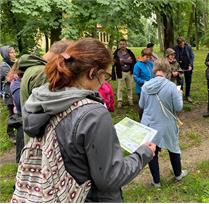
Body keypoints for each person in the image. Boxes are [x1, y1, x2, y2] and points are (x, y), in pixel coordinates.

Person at [21, 38, 156, 202]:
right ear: (93, 73)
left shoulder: (42, 98)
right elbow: (110, 177)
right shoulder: (93, 113)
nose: (104, 81)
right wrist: (143, 154)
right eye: (104, 75)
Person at [139, 58, 187, 188]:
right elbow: (178, 108)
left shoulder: (145, 86)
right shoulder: (172, 87)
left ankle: (156, 181)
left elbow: (141, 104)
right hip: (166, 123)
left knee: (152, 152)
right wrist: (179, 95)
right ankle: (178, 174)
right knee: (173, 148)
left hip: (149, 123)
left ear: (155, 70)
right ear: (168, 71)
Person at [19, 40, 72, 144]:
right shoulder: (43, 73)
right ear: (61, 56)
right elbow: (46, 110)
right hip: (41, 142)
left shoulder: (34, 69)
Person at [112, 39, 136, 108]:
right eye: (121, 44)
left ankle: (130, 100)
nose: (122, 45)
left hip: (129, 72)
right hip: (121, 72)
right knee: (120, 88)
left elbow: (132, 61)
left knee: (129, 87)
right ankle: (119, 101)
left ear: (126, 45)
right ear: (119, 45)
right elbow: (116, 62)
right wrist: (127, 60)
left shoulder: (130, 52)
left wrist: (123, 61)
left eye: (123, 44)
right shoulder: (116, 53)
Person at [0, 46, 17, 141]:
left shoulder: (13, 63)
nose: (14, 54)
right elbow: (11, 78)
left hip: (15, 91)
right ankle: (10, 134)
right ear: (6, 54)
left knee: (17, 111)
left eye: (14, 52)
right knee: (11, 113)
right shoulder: (3, 66)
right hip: (9, 93)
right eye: (11, 52)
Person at [174, 36, 194, 102]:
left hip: (188, 67)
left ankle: (187, 95)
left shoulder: (189, 47)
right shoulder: (176, 48)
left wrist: (190, 65)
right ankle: (180, 96)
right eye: (180, 44)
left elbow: (191, 56)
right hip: (179, 68)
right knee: (180, 82)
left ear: (184, 42)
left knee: (188, 81)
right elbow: (175, 58)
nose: (181, 45)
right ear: (178, 44)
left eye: (182, 44)